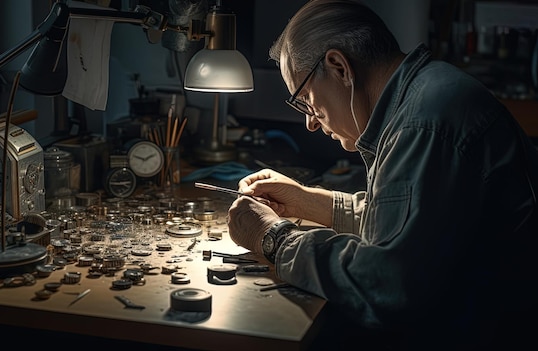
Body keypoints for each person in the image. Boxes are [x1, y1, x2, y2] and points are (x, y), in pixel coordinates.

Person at [226, 0, 538, 349]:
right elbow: (414, 224)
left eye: (307, 100)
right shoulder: (422, 94)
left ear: (339, 67)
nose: (311, 122)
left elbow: (387, 286)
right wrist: (308, 201)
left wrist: (273, 237)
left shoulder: (423, 124)